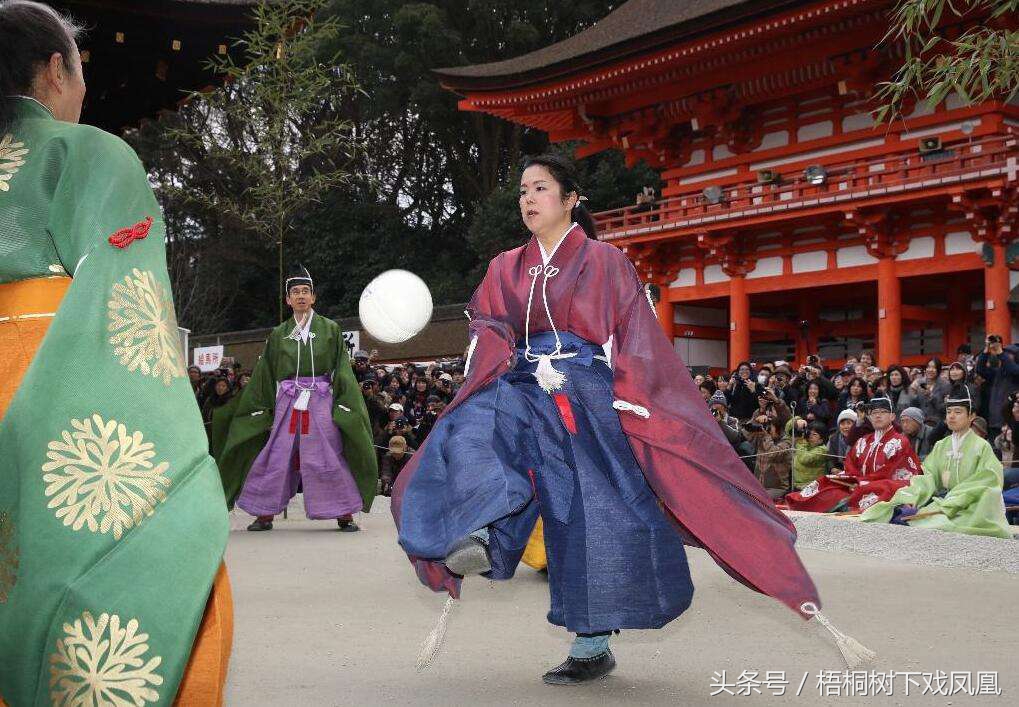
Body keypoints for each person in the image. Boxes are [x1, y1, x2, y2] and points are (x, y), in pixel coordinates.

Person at [390, 153, 823, 685]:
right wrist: (493, 349)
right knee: (477, 421)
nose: (528, 199)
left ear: (571, 199)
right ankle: (480, 531)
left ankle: (591, 645)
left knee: (589, 511)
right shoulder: (505, 265)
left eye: (540, 188)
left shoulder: (606, 261)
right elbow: (488, 325)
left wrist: (634, 398)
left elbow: (634, 337)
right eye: (522, 190)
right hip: (525, 382)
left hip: (587, 394)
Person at [0, 3, 230, 703]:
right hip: (50, 388)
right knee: (159, 574)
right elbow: (124, 314)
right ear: (54, 70)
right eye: (79, 68)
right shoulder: (86, 154)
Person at [216, 266, 377, 532]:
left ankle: (343, 512)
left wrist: (346, 402)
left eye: (305, 292)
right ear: (288, 300)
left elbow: (342, 369)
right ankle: (264, 513)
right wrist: (258, 407)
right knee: (277, 452)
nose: (301, 296)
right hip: (288, 400)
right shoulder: (279, 333)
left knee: (328, 450)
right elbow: (265, 373)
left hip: (321, 397)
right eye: (295, 293)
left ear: (313, 298)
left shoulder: (330, 329)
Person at [860, 386, 1011, 538]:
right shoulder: (941, 445)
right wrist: (912, 498)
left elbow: (988, 479)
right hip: (943, 503)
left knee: (939, 524)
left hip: (970, 505)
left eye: (958, 412)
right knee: (902, 515)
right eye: (949, 412)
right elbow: (928, 477)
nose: (951, 416)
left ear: (971, 416)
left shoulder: (981, 446)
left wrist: (955, 500)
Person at [785, 397, 921, 512]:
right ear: (870, 417)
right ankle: (803, 503)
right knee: (829, 482)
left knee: (880, 489)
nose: (878, 415)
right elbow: (851, 465)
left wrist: (861, 481)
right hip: (859, 483)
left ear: (892, 416)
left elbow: (893, 472)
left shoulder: (899, 441)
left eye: (883, 412)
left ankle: (849, 503)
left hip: (888, 484)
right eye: (874, 413)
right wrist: (851, 479)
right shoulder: (863, 440)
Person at [975, 334, 1019, 443]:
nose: (1003, 356)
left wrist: (1000, 351)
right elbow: (980, 369)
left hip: (1011, 423)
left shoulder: (1016, 373)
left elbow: (1012, 369)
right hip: (994, 421)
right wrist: (986, 349)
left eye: (1007, 355)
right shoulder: (997, 373)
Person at [788, 419, 829, 489]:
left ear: (822, 438)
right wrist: (797, 422)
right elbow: (788, 431)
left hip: (813, 486)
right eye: (810, 433)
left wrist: (800, 442)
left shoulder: (822, 450)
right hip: (797, 485)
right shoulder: (806, 445)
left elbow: (805, 459)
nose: (811, 436)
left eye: (815, 434)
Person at [827, 409, 857, 474]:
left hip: (856, 471)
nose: (845, 427)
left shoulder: (861, 439)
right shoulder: (834, 439)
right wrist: (832, 468)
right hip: (839, 471)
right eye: (842, 424)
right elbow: (830, 459)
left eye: (849, 423)